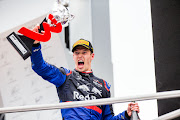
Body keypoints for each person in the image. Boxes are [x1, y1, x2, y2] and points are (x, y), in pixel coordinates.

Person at [31, 25, 140, 120]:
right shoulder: (65, 77)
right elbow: (40, 67)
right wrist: (35, 45)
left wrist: (126, 114)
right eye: (77, 53)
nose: (80, 56)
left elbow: (108, 118)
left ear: (92, 56)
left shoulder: (104, 86)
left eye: (84, 52)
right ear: (73, 56)